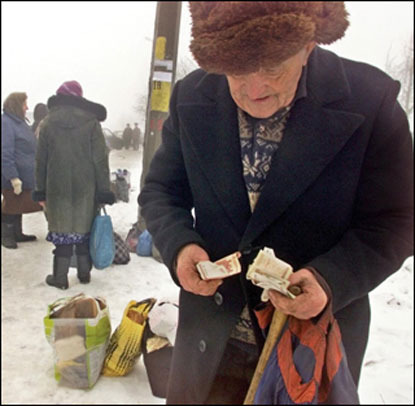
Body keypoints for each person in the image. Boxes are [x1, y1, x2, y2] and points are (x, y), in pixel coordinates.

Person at [138, 2, 414, 404]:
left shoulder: (370, 101)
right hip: (212, 343)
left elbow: (397, 219)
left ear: (308, 45)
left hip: (309, 346)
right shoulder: (191, 96)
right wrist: (179, 244)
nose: (253, 89)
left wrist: (331, 279)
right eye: (236, 70)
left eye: (272, 67)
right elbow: (161, 190)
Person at [32, 80, 115, 290]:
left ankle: (59, 277)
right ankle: (84, 273)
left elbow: (41, 161)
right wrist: (104, 190)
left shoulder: (48, 123)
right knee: (83, 229)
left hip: (56, 189)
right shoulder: (92, 123)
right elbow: (100, 161)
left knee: (62, 232)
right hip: (86, 188)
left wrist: (40, 190)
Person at [1, 92, 43, 249]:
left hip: (24, 174)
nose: (27, 107)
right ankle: (6, 236)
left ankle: (17, 233)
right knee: (10, 204)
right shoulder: (6, 123)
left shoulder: (19, 122)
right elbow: (5, 153)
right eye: (25, 104)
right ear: (17, 105)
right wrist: (13, 177)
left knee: (17, 204)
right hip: (11, 175)